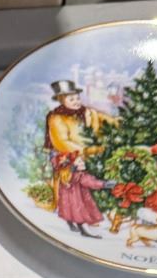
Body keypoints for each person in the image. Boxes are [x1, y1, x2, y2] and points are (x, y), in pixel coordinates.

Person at [43, 79, 111, 238]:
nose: (76, 101)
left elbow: (105, 120)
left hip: (86, 157)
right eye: (71, 99)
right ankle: (76, 220)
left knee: (81, 192)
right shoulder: (56, 118)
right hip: (67, 159)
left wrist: (118, 124)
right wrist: (88, 151)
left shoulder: (87, 113)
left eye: (77, 98)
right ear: (62, 100)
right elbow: (62, 142)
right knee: (73, 192)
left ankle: (78, 218)